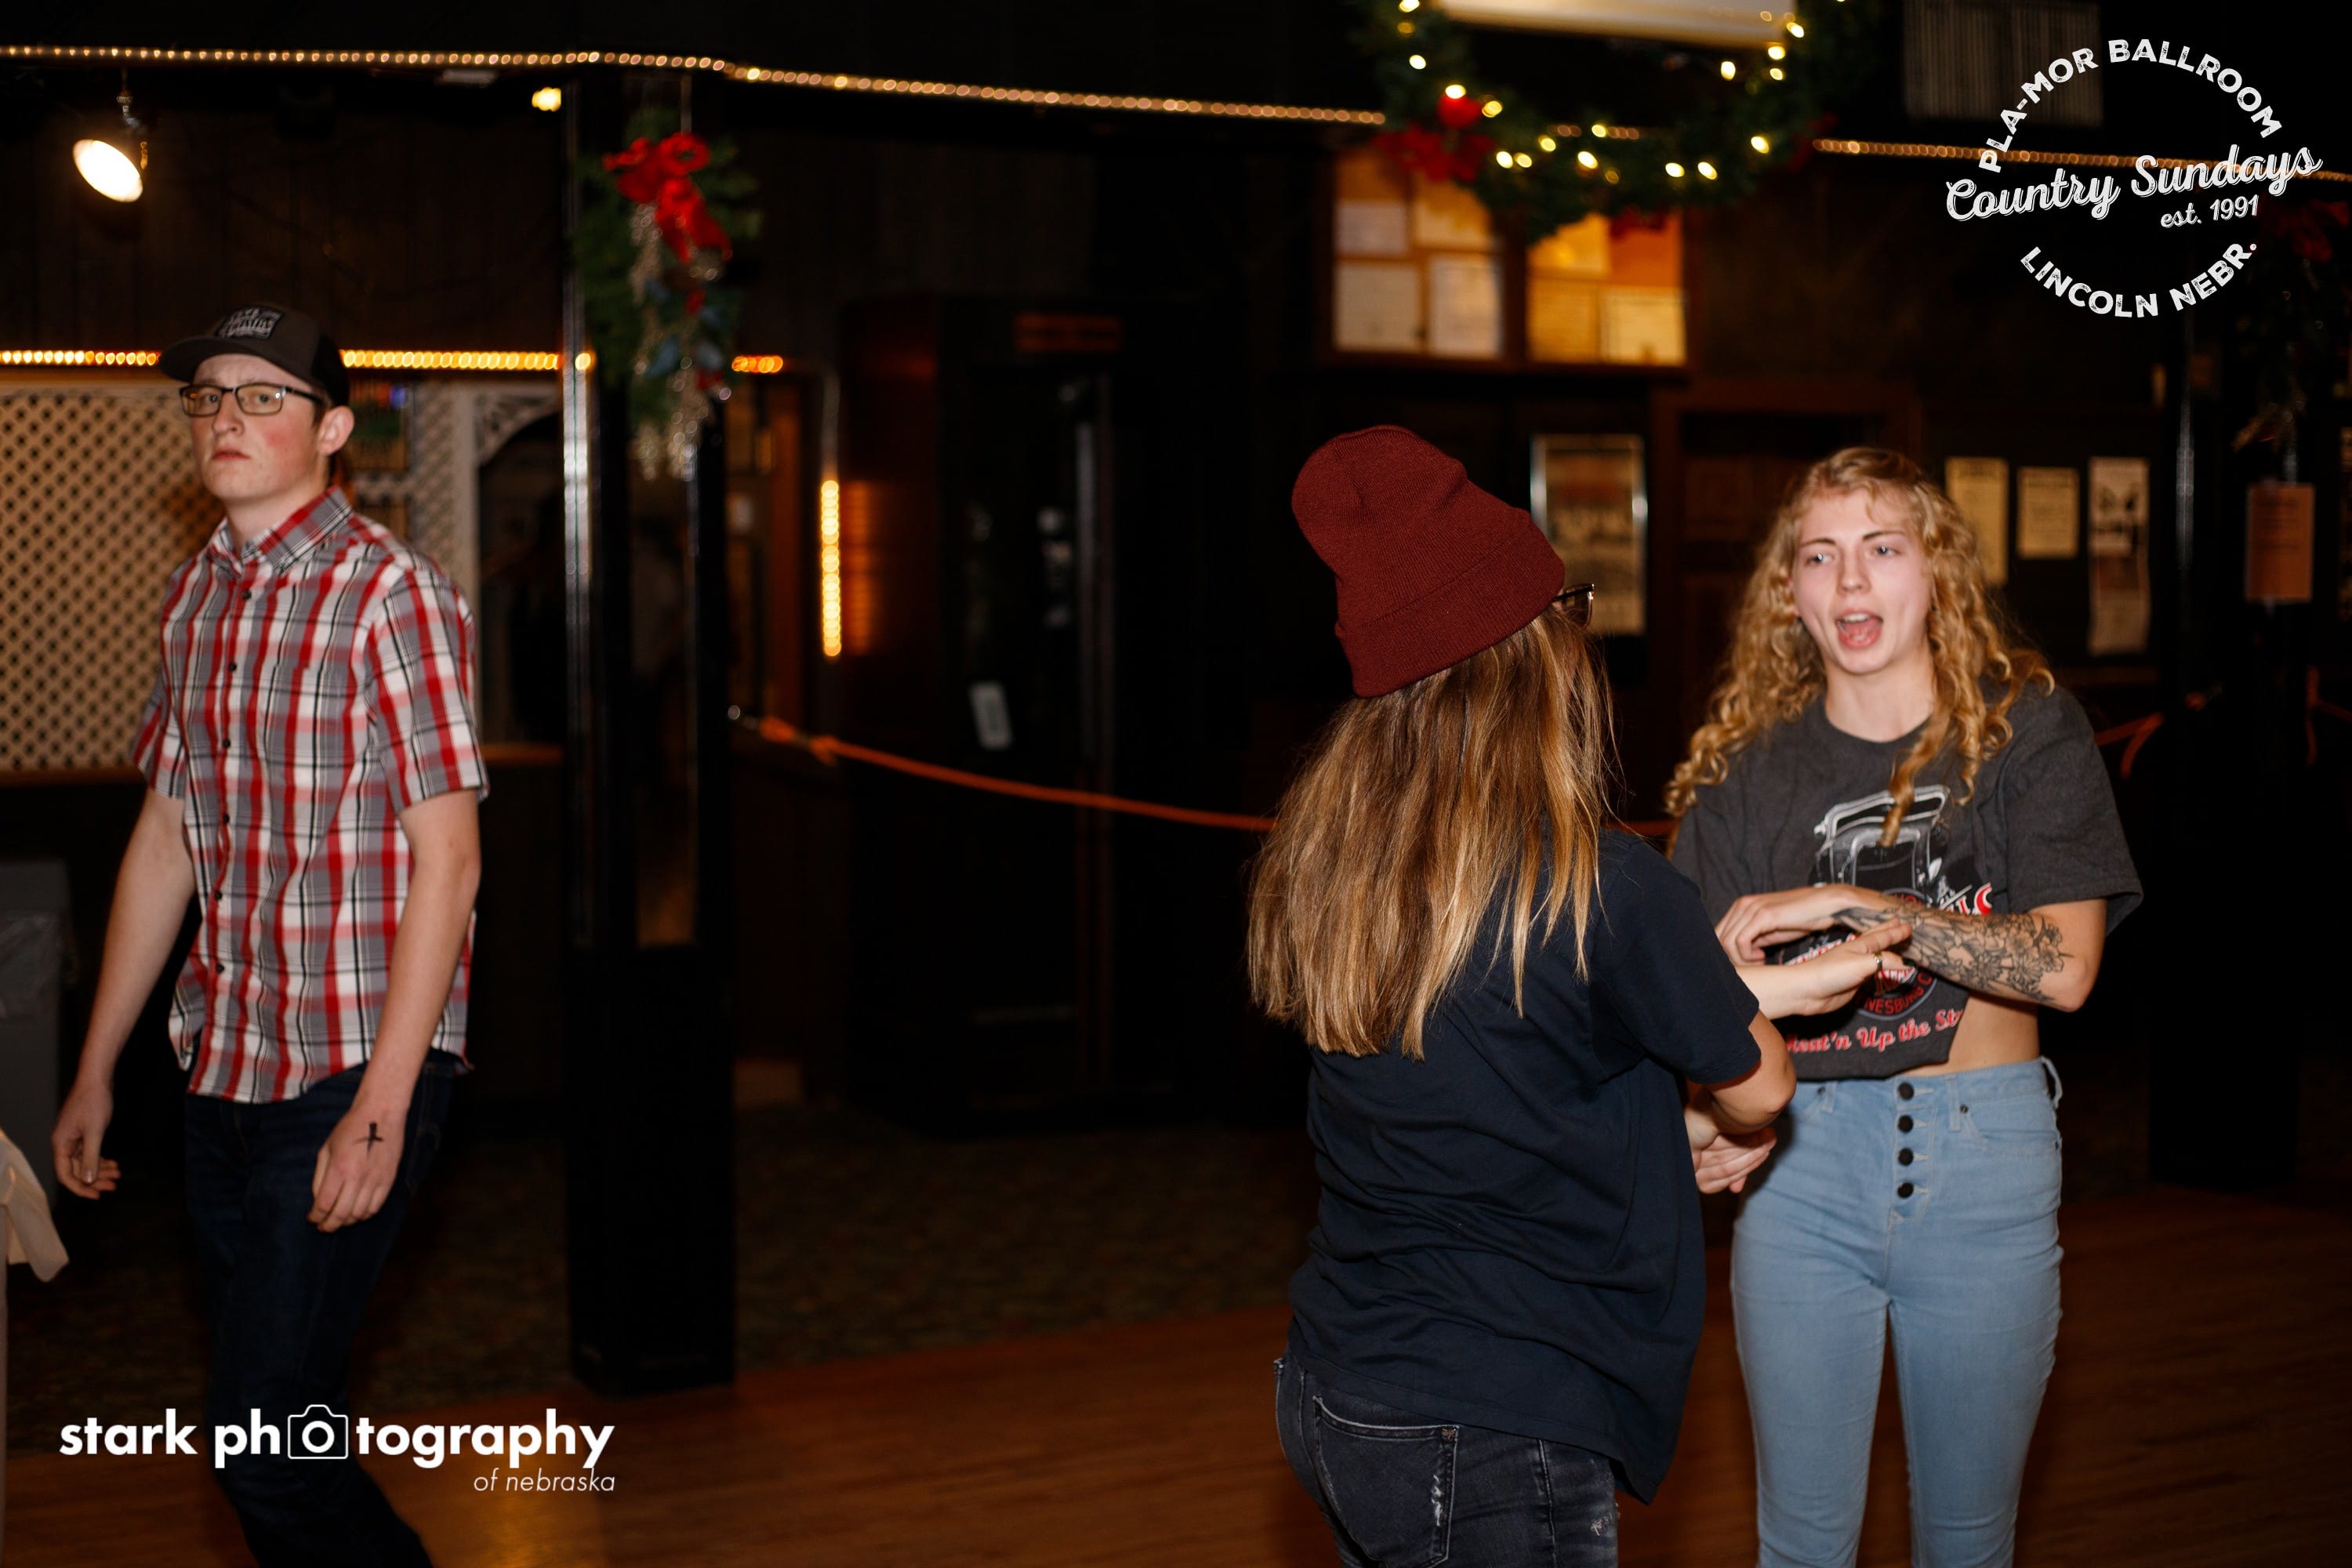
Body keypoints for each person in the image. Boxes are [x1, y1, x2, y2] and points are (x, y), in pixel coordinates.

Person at [1253, 427, 1907, 1566]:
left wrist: (1685, 1092)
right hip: (1502, 1417)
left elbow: (1514, 1067)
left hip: (1339, 1388)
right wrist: (1726, 1101)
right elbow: (1760, 1085)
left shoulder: (1336, 870)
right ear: (1536, 658)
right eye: (1573, 609)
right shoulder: (1601, 883)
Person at [50, 303, 485, 1568]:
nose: (224, 419)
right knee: (291, 1426)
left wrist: (386, 1105)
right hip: (223, 1065)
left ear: (334, 430)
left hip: (354, 1065)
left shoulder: (392, 594)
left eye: (261, 397)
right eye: (208, 398)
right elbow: (166, 837)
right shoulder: (196, 595)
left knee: (261, 1449)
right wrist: (95, 1067)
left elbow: (452, 860)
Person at [1664, 447, 2143, 1568]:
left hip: (1985, 1160)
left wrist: (1856, 905)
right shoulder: (1744, 774)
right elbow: (1691, 1005)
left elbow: (2066, 967)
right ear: (1788, 591)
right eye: (1819, 556)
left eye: (1883, 549)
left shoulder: (2026, 732)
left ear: (1938, 571)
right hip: (1801, 1170)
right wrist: (1703, 1117)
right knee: (1801, 1546)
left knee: (1969, 1545)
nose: (1850, 581)